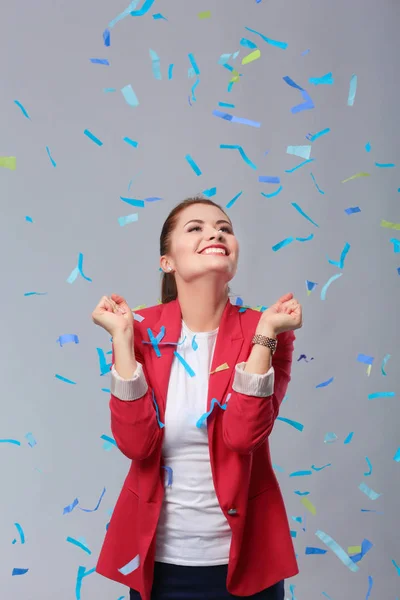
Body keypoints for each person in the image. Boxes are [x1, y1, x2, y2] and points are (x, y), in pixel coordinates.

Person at [92, 197, 302, 600]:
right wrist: (121, 339)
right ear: (167, 261)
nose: (216, 233)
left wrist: (265, 334)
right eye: (196, 227)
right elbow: (136, 444)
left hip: (246, 566)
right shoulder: (139, 330)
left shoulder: (269, 329)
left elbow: (242, 437)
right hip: (159, 564)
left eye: (224, 228)